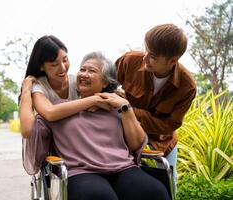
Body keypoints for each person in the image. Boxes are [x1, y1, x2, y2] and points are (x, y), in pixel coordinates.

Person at [23, 52, 170, 200]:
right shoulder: (59, 109)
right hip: (82, 172)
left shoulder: (116, 106)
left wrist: (126, 108)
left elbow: (136, 144)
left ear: (105, 82)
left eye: (92, 71)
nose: (84, 74)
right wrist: (26, 92)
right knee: (98, 196)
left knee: (153, 192)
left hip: (124, 168)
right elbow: (30, 130)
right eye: (82, 69)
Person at [114, 23, 197, 188]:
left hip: (161, 143)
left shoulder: (187, 87)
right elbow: (106, 83)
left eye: (153, 57)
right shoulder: (129, 61)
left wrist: (129, 110)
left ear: (172, 61)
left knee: (167, 187)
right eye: (147, 50)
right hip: (123, 135)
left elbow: (168, 126)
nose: (145, 58)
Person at [19, 35, 109, 139]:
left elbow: (107, 99)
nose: (62, 68)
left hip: (83, 139)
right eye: (54, 64)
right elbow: (28, 130)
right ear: (41, 67)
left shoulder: (78, 81)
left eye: (65, 60)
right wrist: (26, 89)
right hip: (56, 147)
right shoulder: (39, 87)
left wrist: (102, 100)